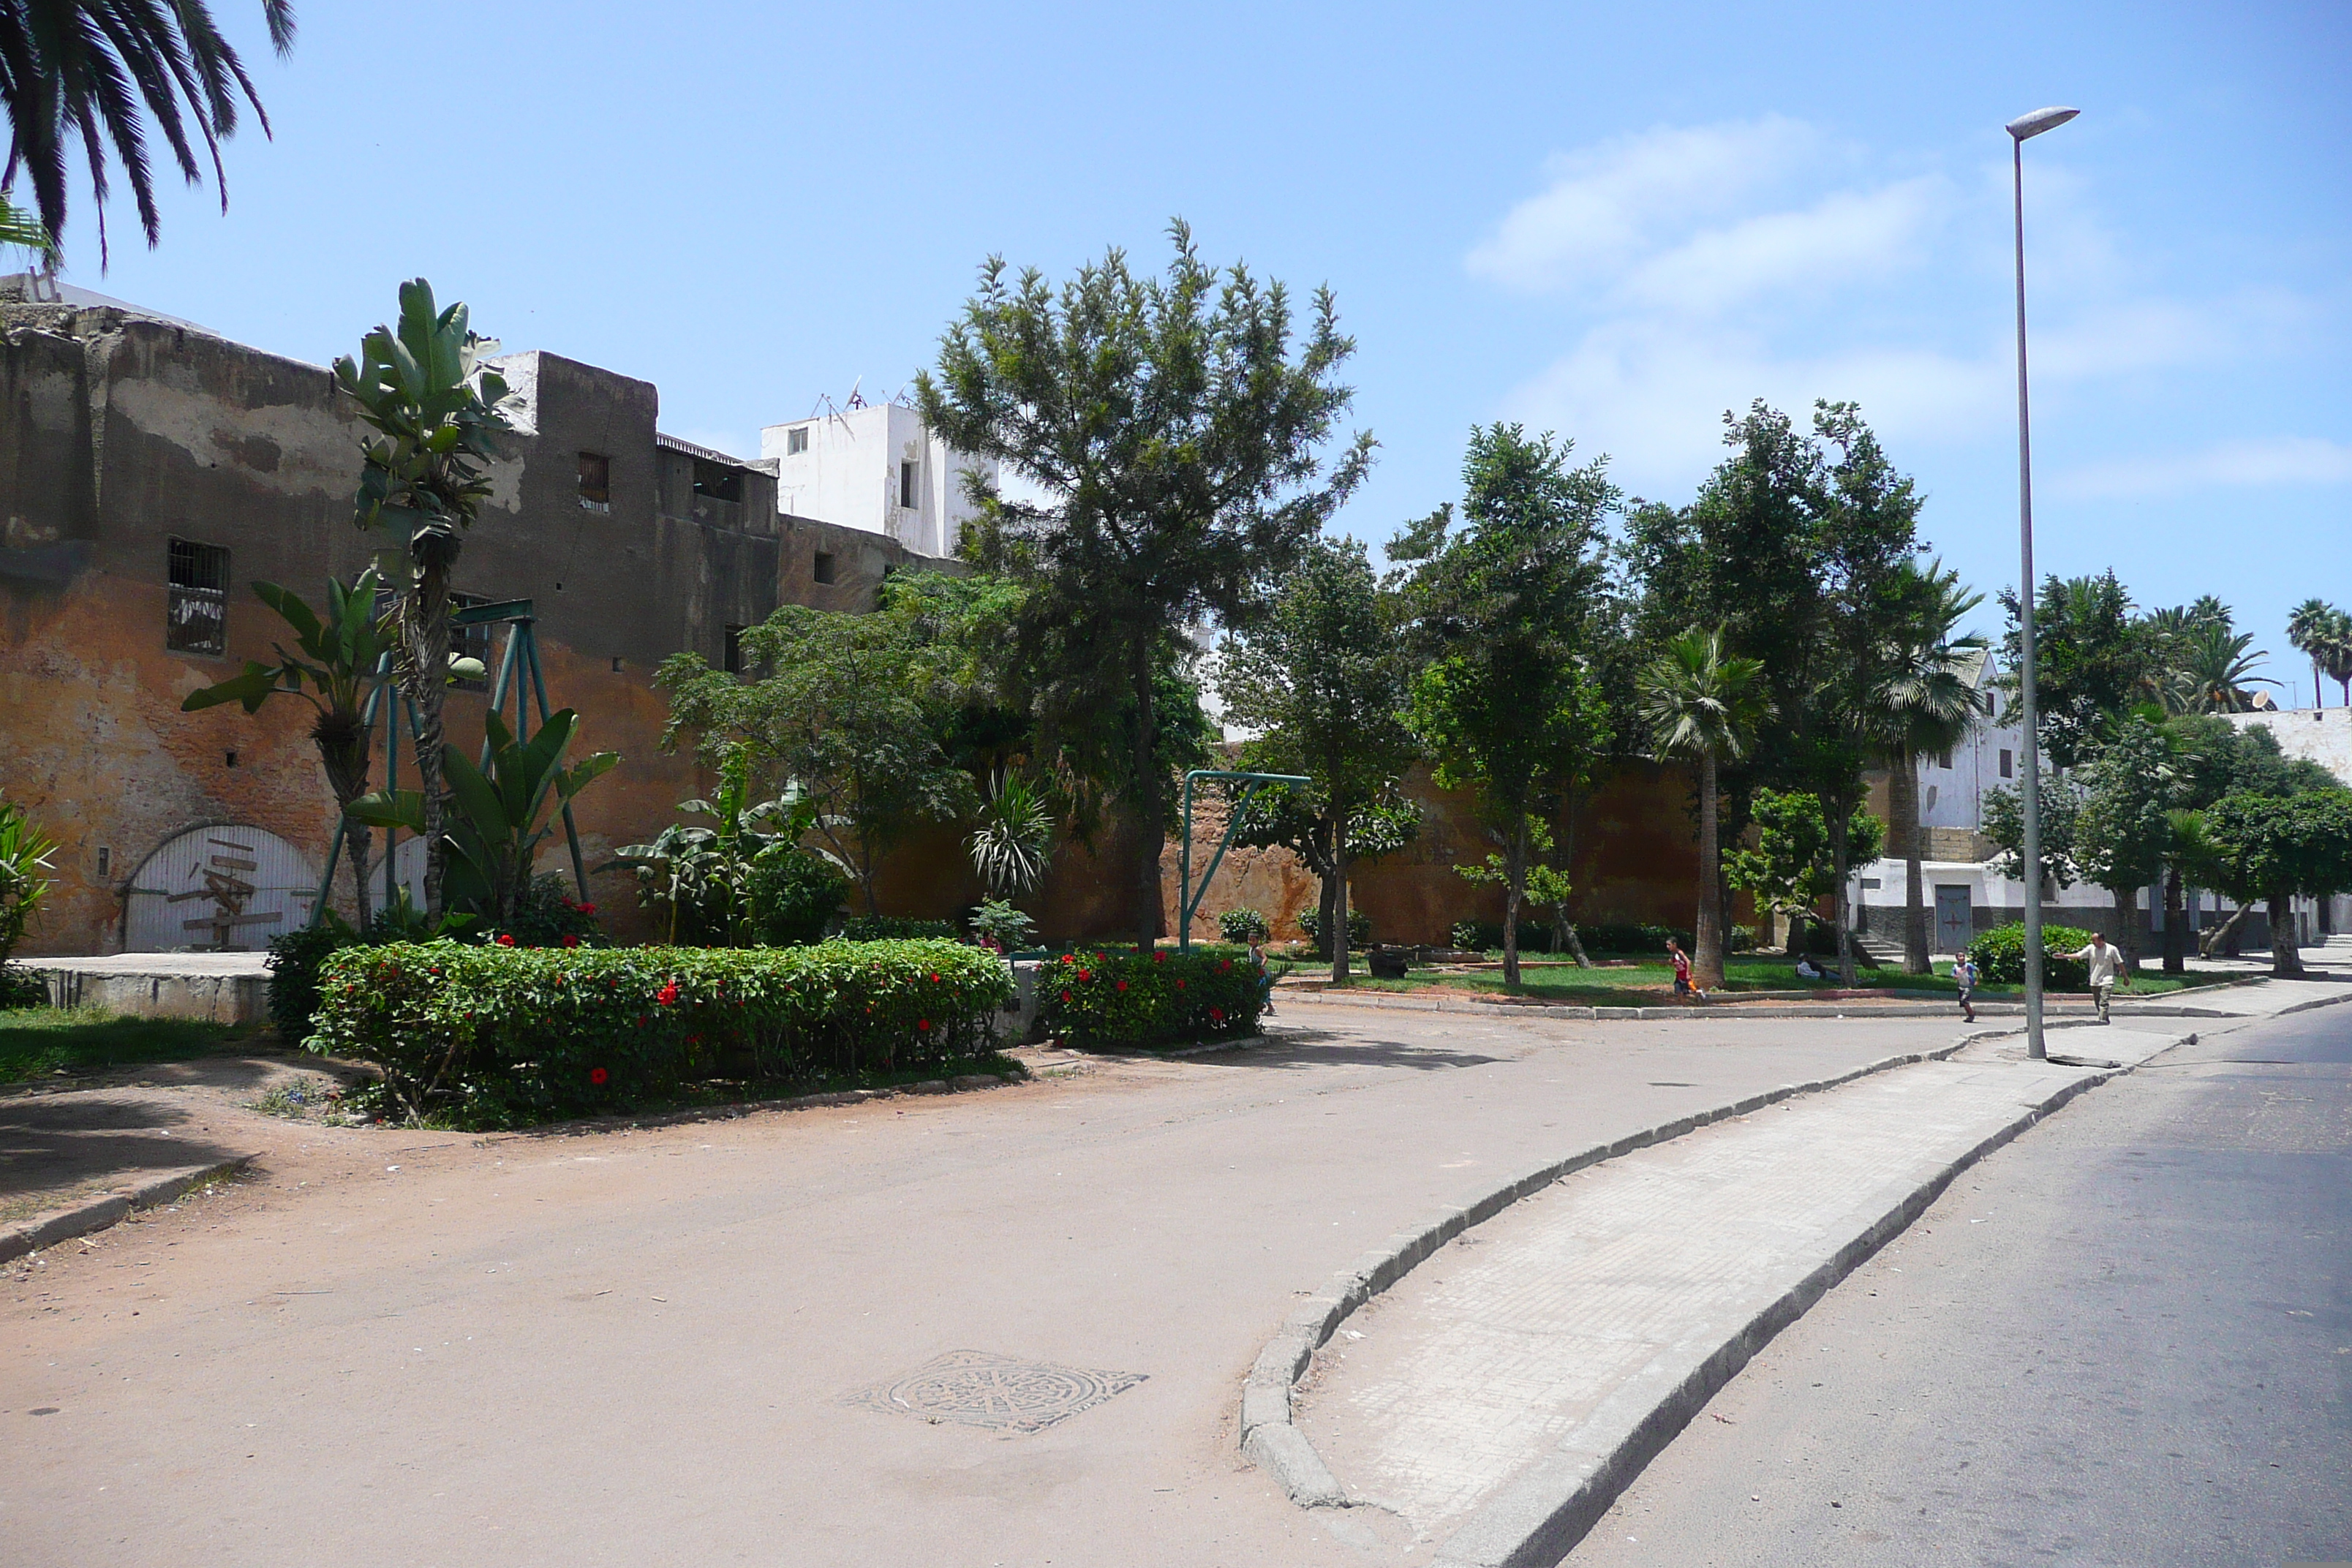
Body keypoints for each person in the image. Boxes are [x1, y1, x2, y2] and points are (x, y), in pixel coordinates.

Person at [2062, 932, 2127, 1022]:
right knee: (2098, 1004)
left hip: (2107, 980)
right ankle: (2105, 1020)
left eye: (2094, 940)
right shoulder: (2090, 948)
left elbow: (2120, 963)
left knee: (2103, 1003)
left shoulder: (2112, 949)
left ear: (2101, 940)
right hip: (2095, 981)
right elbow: (2079, 955)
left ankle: (2102, 1021)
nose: (2092, 941)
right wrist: (2064, 956)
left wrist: (2125, 978)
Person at [1667, 938, 1705, 1003]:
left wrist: (1687, 973)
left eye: (1669, 945)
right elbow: (1672, 962)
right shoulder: (1672, 955)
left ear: (1675, 944)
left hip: (1685, 976)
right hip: (1679, 977)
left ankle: (1700, 992)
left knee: (1690, 991)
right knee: (1679, 992)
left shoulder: (1680, 953)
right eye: (1667, 945)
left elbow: (1688, 962)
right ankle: (1683, 1006)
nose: (1668, 947)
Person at [1950, 954, 1979, 1023]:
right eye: (1960, 956)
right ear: (1957, 958)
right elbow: (1953, 974)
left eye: (1963, 956)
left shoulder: (1968, 965)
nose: (1962, 958)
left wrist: (1977, 980)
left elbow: (1977, 970)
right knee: (1963, 1003)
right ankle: (1970, 1015)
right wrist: (1955, 976)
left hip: (1968, 985)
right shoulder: (1955, 967)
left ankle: (1972, 1014)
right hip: (1961, 986)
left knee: (1964, 1000)